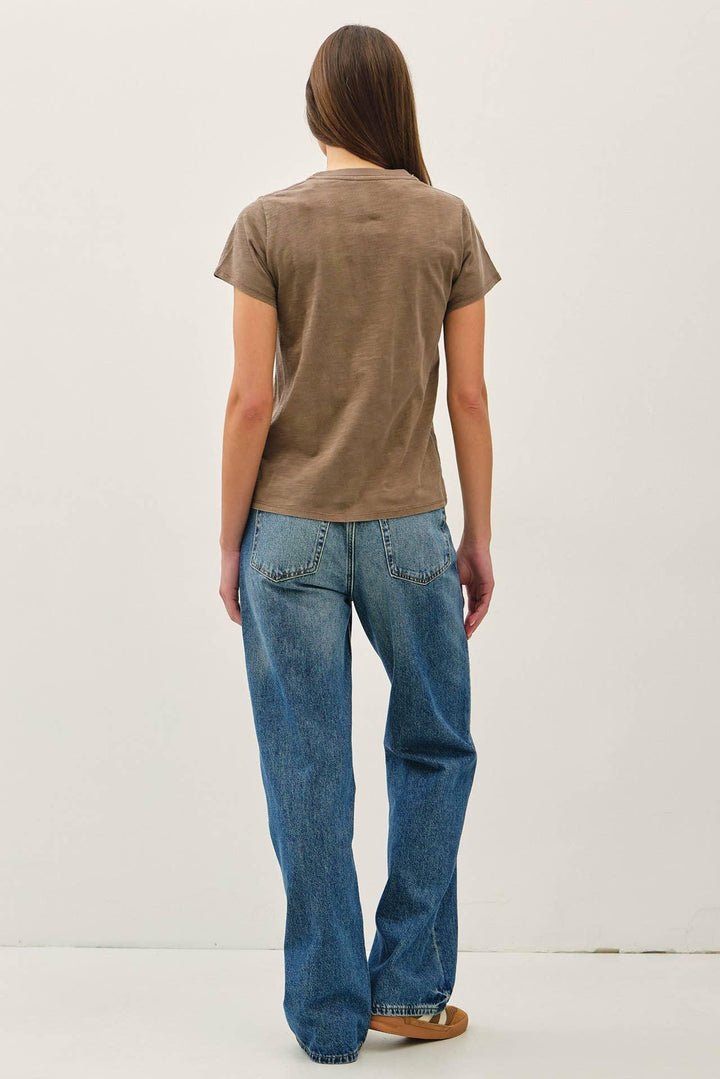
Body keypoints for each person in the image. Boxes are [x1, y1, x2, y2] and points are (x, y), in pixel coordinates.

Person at [213, 23, 501, 1067]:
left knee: (306, 765)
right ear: (397, 104)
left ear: (317, 107)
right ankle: (411, 988)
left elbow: (251, 401)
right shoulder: (447, 220)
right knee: (434, 746)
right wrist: (477, 535)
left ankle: (329, 1017)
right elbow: (468, 396)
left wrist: (229, 540)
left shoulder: (267, 222)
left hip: (286, 530)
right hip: (409, 530)